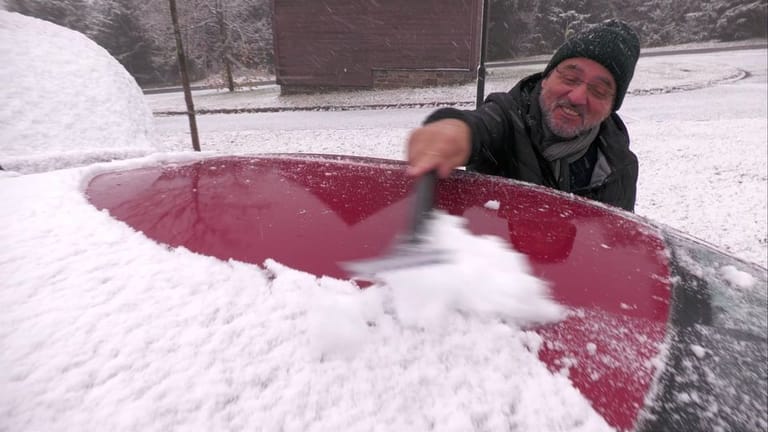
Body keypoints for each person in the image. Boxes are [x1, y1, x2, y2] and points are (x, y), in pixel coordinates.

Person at [406, 20, 641, 212]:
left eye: (599, 91)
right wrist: (455, 130)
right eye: (569, 78)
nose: (578, 97)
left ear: (611, 106)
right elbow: (482, 126)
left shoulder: (620, 168)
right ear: (546, 78)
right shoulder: (507, 118)